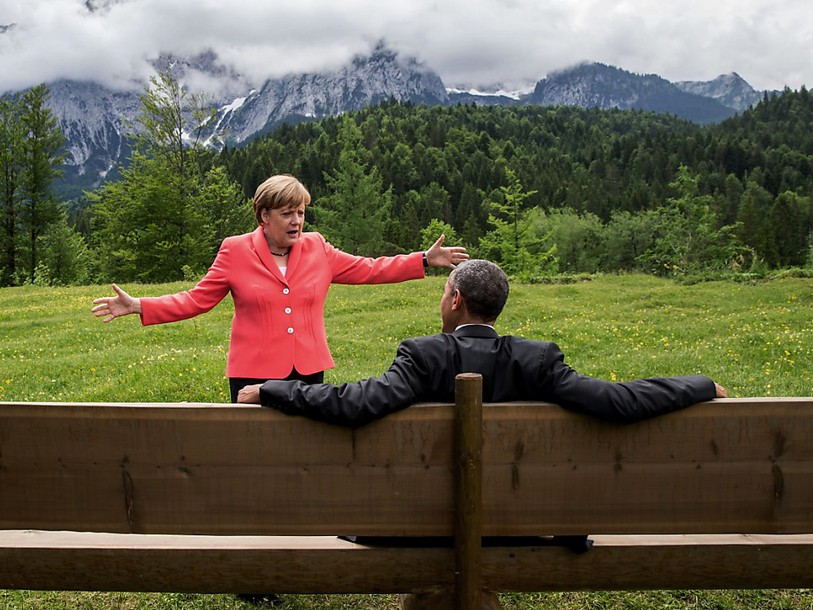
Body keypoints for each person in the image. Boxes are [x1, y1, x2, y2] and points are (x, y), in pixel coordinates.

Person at [91, 174, 468, 403]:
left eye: (301, 212)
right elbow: (196, 299)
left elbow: (368, 269)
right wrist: (141, 305)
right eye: (288, 213)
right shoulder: (235, 250)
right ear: (264, 216)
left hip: (307, 370)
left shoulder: (318, 247)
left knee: (304, 450)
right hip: (252, 371)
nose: (297, 221)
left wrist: (421, 259)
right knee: (254, 453)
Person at [237, 258, 727, 422]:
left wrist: (274, 388)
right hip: (522, 524)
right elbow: (620, 400)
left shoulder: (422, 356)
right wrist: (699, 385)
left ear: (453, 301)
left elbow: (355, 403)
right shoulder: (537, 360)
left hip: (420, 526)